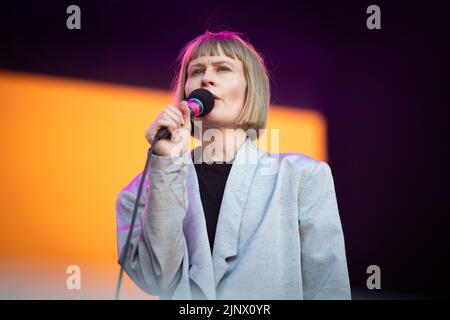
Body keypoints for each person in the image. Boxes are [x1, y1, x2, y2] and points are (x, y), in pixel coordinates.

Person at [116, 31, 351, 299]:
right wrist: (165, 162)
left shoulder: (301, 176)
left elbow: (328, 287)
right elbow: (155, 278)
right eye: (196, 71)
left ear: (251, 90)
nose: (206, 78)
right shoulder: (141, 192)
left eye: (223, 68)